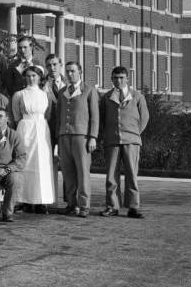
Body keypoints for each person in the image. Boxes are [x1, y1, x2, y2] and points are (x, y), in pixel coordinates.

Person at [99, 67, 149, 219]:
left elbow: (145, 118)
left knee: (131, 174)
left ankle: (133, 207)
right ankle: (112, 206)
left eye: (121, 77)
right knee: (111, 175)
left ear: (127, 78)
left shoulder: (137, 97)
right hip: (112, 140)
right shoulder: (107, 98)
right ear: (111, 79)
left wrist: (134, 133)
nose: (118, 81)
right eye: (115, 78)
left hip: (131, 141)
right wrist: (107, 134)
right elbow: (102, 119)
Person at [56, 61, 99, 217]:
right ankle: (71, 203)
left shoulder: (88, 91)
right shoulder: (62, 92)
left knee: (82, 172)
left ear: (80, 72)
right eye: (67, 71)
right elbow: (58, 118)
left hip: (82, 137)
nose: (69, 74)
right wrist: (57, 138)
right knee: (68, 172)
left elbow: (95, 117)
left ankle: (84, 205)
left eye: (73, 71)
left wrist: (93, 137)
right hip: (64, 136)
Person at [10, 65, 54, 213]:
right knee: (25, 163)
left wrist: (39, 123)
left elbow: (48, 114)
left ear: (39, 77)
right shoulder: (19, 94)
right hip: (24, 128)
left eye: (34, 76)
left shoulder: (45, 94)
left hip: (41, 129)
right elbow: (16, 116)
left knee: (41, 163)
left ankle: (41, 201)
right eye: (28, 76)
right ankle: (24, 200)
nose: (31, 78)